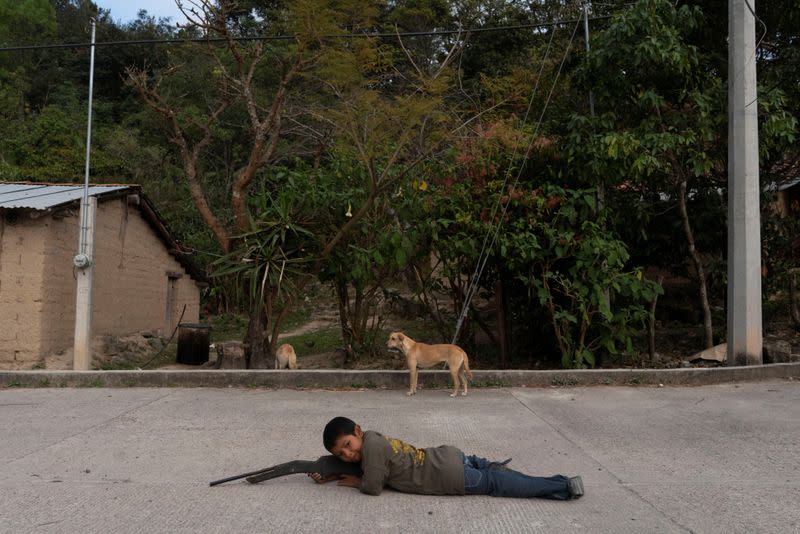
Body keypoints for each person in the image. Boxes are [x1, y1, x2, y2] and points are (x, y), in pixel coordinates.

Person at [308, 416, 584, 500]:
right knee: (494, 474)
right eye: (340, 454)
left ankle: (562, 487)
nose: (348, 454)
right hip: (448, 455)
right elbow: (362, 464)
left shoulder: (371, 451)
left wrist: (354, 482)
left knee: (497, 485)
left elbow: (372, 486)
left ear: (357, 431)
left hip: (447, 475)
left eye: (347, 445)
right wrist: (328, 472)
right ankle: (504, 471)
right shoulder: (373, 439)